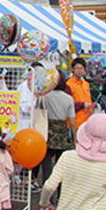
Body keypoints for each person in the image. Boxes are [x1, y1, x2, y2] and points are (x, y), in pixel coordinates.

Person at [39, 71, 77, 201]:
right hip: (62, 134)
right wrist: (75, 139)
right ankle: (60, 197)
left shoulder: (45, 96)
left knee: (47, 168)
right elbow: (72, 121)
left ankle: (47, 199)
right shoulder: (68, 99)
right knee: (63, 167)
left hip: (47, 132)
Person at [67, 57, 93, 130]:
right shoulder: (69, 85)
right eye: (77, 68)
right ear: (73, 70)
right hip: (76, 123)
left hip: (88, 122)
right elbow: (68, 105)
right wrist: (82, 105)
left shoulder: (86, 84)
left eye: (81, 68)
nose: (79, 70)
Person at [16, 62, 43, 132]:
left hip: (34, 123)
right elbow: (23, 107)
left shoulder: (39, 87)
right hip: (24, 123)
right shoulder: (24, 87)